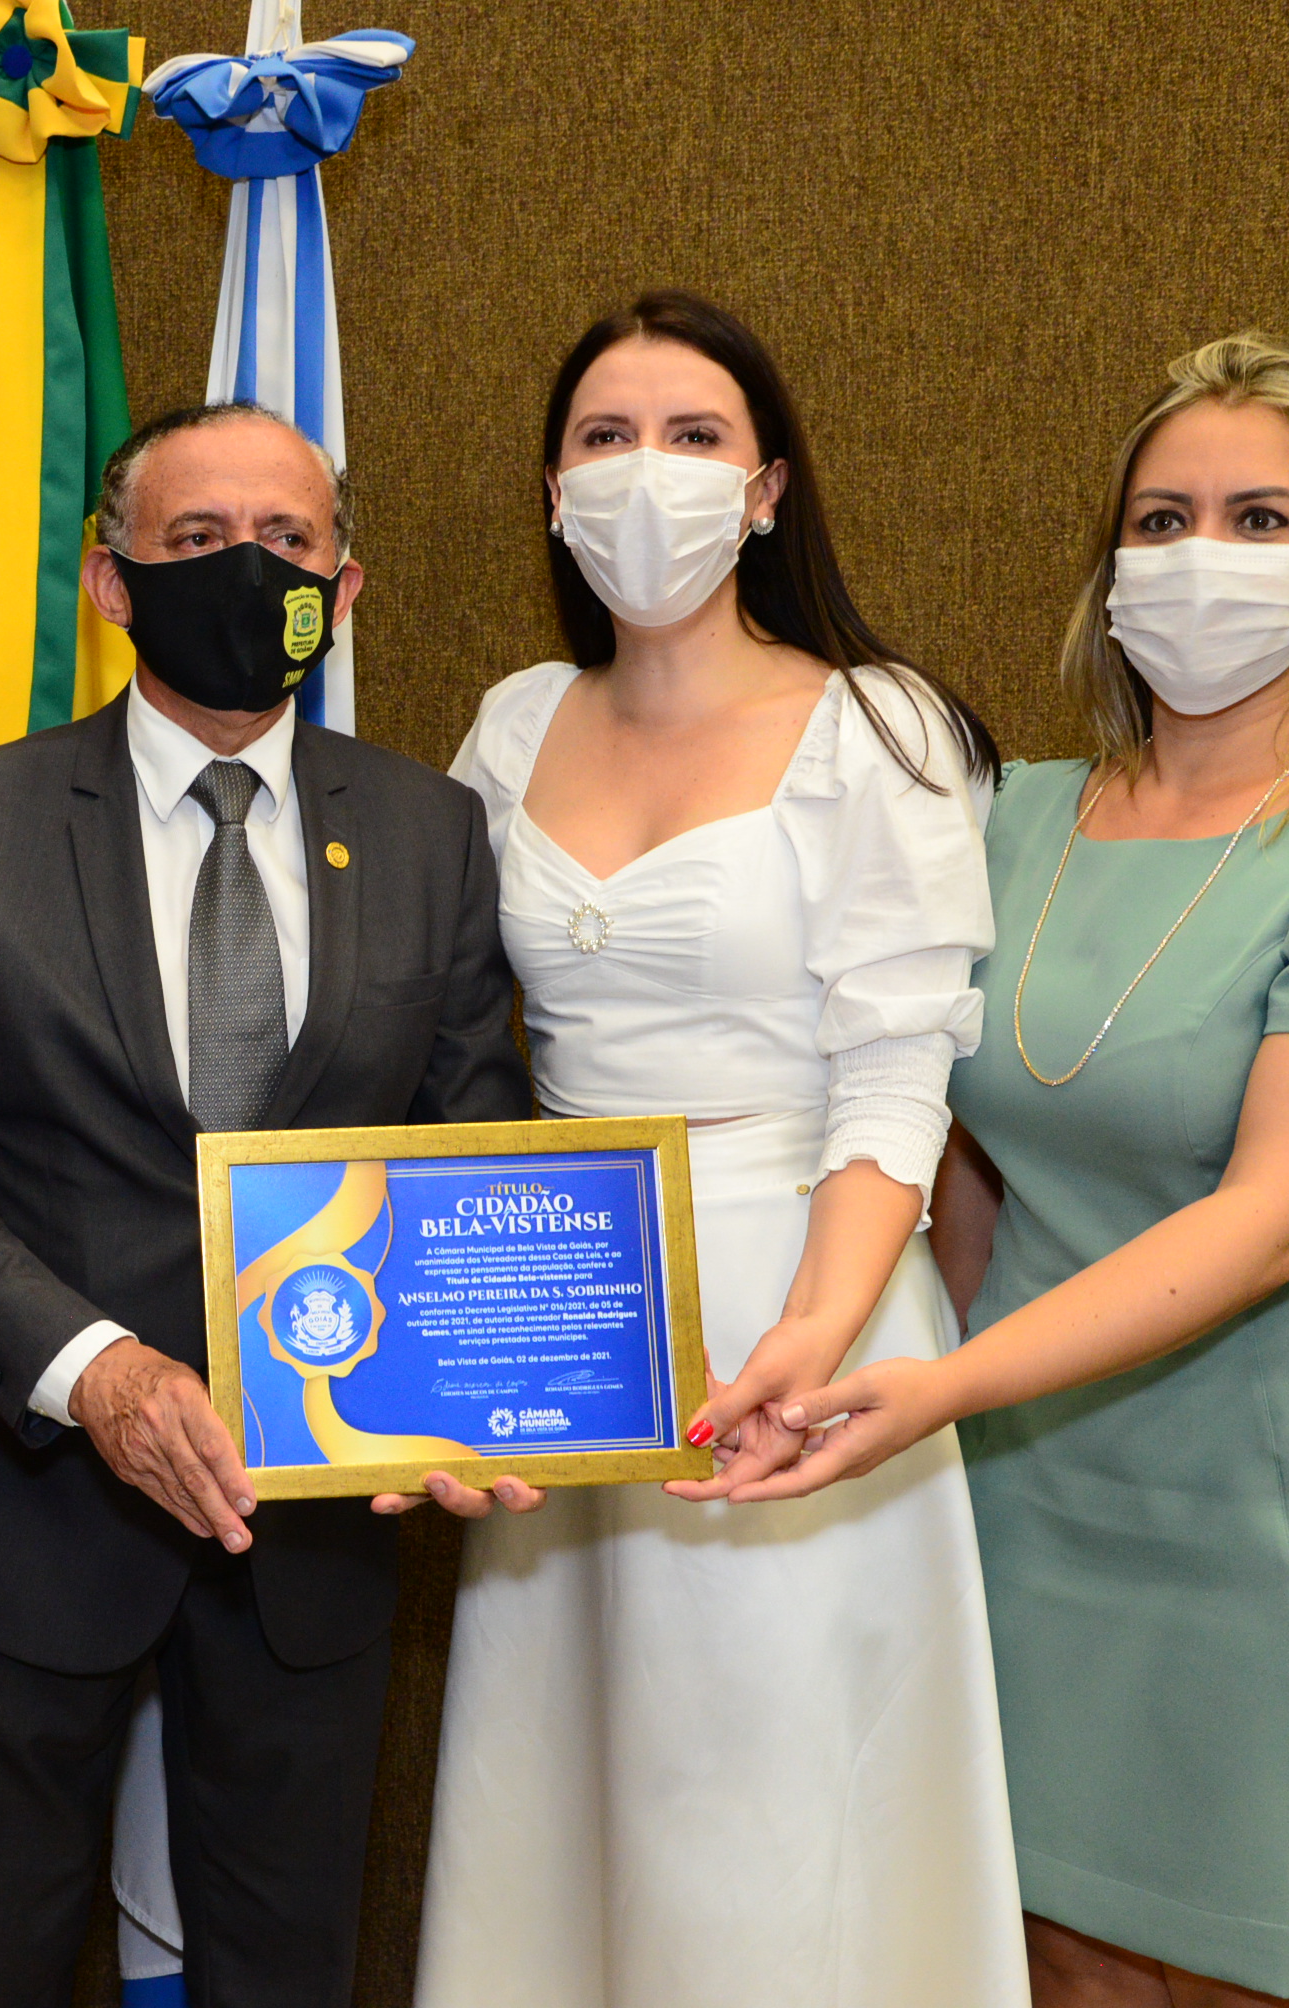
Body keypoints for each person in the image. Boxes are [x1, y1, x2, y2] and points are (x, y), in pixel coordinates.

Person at [738, 333, 1289, 2005]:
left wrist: (942, 1386)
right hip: (1034, 1497)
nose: (1201, 557)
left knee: (1261, 1967)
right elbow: (962, 1160)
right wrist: (873, 1366)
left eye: (1261, 520)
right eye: (1162, 520)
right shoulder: (1007, 818)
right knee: (1049, 1955)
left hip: (1283, 1510)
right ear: (1110, 570)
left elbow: (1288, 1219)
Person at [0, 399, 532, 2008]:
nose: (248, 569)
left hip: (317, 1534)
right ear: (110, 582)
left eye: (288, 540)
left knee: (288, 1975)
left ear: (343, 588)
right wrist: (100, 1377)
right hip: (23, 1524)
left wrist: (473, 1387)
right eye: (198, 538)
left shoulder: (428, 831)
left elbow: (471, 1152)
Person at [410, 292, 1029, 2008]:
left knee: (768, 1818)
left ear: (765, 492)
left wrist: (806, 1348)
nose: (647, 471)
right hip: (562, 1306)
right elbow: (446, 1059)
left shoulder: (880, 729)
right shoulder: (513, 723)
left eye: (694, 437)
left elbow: (897, 1082)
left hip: (803, 1298)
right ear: (554, 492)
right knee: (572, 1815)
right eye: (605, 437)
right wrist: (440, 1366)